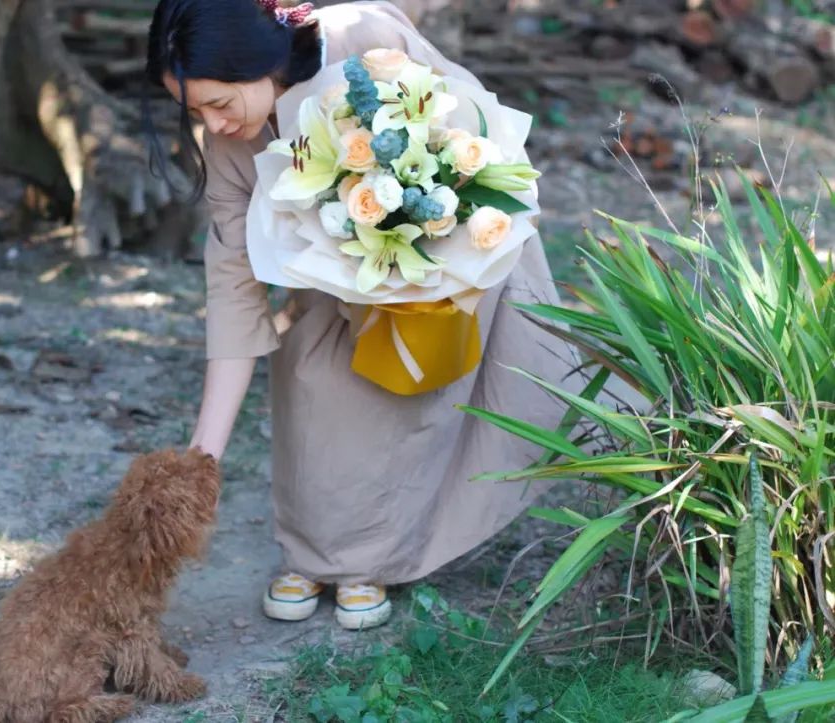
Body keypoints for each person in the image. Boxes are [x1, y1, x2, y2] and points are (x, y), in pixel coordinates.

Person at [145, 0, 578, 630]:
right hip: (327, 282)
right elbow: (234, 286)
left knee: (413, 399)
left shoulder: (364, 41)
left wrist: (437, 235)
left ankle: (369, 560)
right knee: (314, 390)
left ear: (260, 61)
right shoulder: (229, 146)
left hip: (446, 251)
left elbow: (463, 131)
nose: (212, 122)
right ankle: (317, 551)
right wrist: (201, 456)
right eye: (194, 112)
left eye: (220, 101)